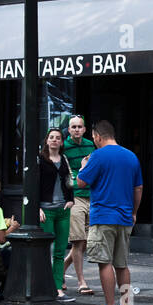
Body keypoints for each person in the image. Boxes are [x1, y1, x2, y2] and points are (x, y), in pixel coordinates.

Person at [75, 120, 143, 305]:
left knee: (104, 262)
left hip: (103, 216)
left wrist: (83, 166)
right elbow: (138, 188)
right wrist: (134, 212)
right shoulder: (131, 156)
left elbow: (81, 181)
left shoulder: (97, 156)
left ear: (97, 136)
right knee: (122, 264)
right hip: (124, 216)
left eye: (93, 137)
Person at [39, 127, 76, 299]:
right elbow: (33, 185)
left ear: (62, 142)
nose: (54, 140)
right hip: (46, 210)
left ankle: (57, 287)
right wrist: (37, 208)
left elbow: (69, 180)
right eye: (51, 137)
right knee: (46, 250)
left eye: (58, 138)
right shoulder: (40, 159)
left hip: (62, 209)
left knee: (60, 250)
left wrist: (71, 199)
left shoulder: (64, 159)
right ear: (47, 140)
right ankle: (44, 286)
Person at [62, 115, 96, 295]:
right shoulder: (64, 146)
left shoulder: (91, 145)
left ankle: (60, 271)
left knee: (84, 242)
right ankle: (81, 281)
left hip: (92, 195)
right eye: (73, 127)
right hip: (74, 197)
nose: (76, 129)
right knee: (77, 240)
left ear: (84, 129)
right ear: (69, 129)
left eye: (79, 127)